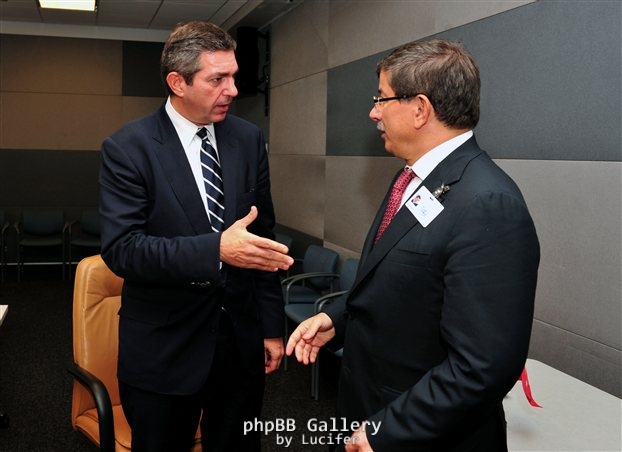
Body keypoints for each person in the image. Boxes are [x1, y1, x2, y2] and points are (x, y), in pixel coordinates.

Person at [286, 39, 540, 452]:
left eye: (381, 99)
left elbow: (482, 366)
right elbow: (395, 283)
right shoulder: (412, 179)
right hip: (371, 406)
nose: (373, 112)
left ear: (420, 109)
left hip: (420, 432)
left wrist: (389, 430)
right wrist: (337, 318)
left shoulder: (488, 203)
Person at [99, 20, 293, 452]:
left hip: (239, 347)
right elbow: (123, 250)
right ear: (178, 82)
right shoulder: (128, 148)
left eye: (234, 77)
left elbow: (261, 239)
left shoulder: (248, 138)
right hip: (165, 351)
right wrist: (217, 249)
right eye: (217, 79)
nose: (232, 90)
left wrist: (270, 328)